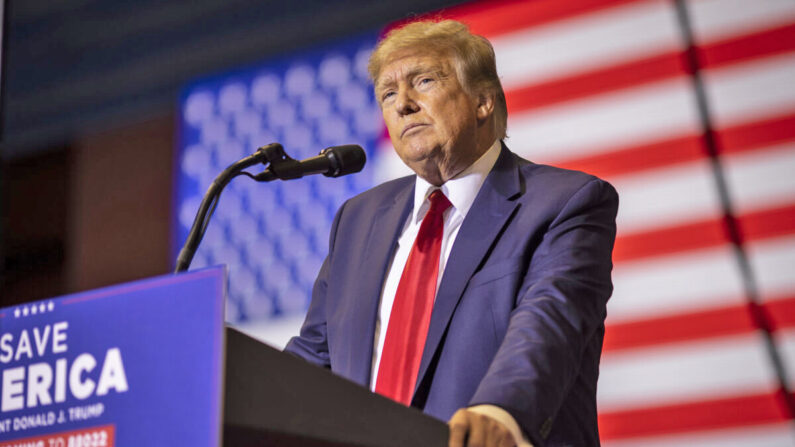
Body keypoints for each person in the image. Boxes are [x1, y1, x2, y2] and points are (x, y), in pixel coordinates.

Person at [285, 19, 618, 447]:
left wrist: (499, 412)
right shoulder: (357, 220)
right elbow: (313, 359)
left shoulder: (564, 204)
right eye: (388, 94)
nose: (402, 104)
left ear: (483, 101)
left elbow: (549, 323)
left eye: (423, 81)